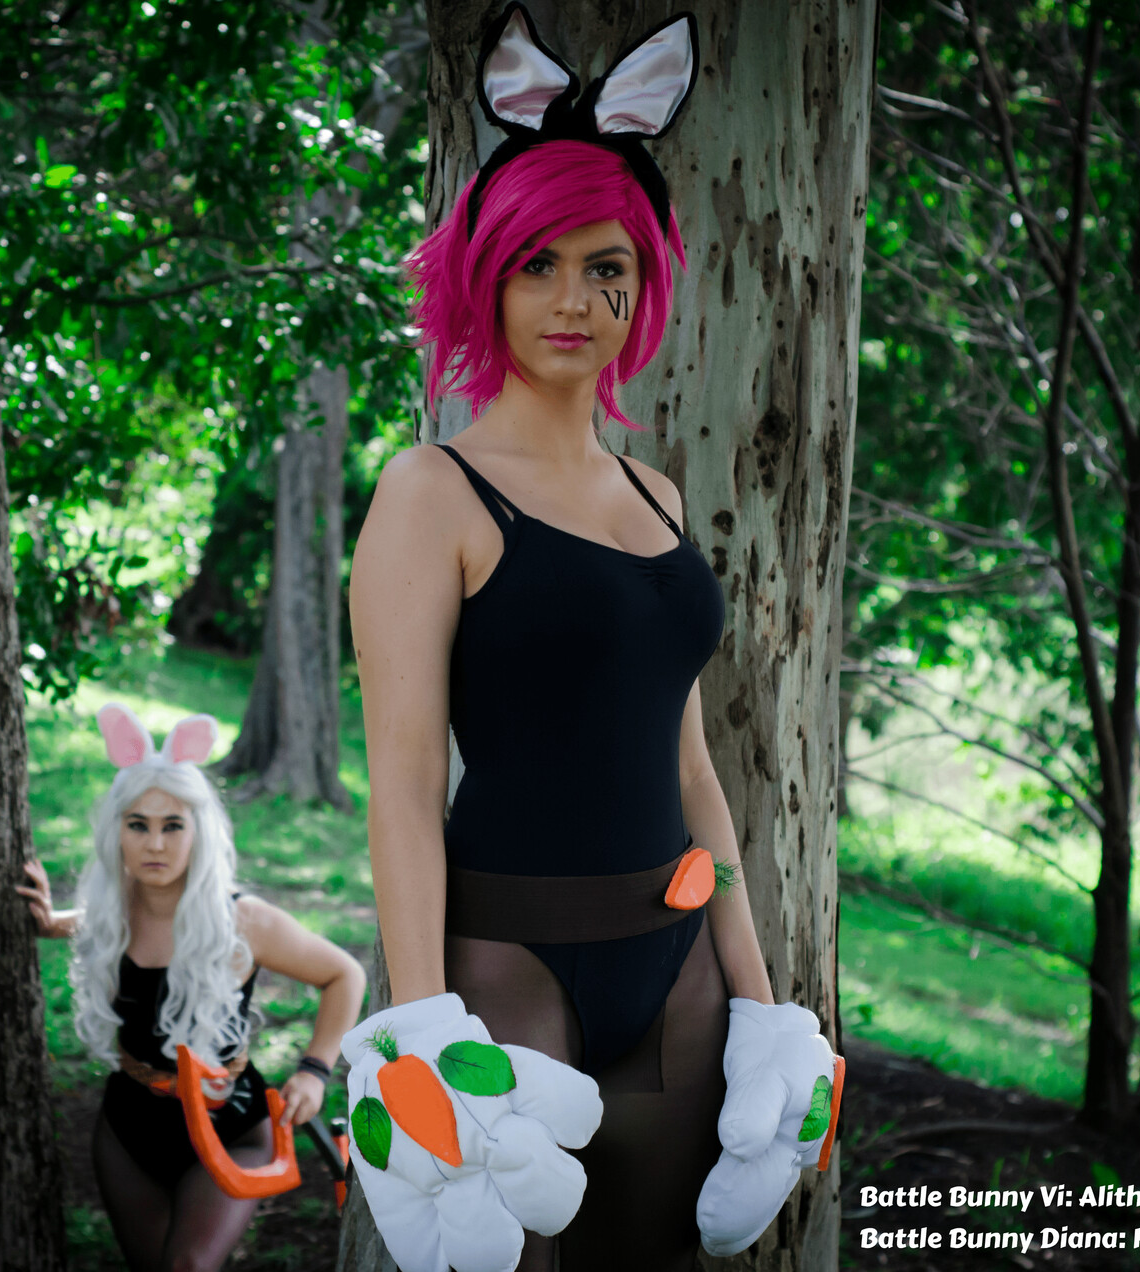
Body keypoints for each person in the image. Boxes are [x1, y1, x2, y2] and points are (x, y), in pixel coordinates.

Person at [341, 8, 837, 1272]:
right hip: (509, 964)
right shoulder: (432, 492)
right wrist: (416, 1029)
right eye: (538, 264)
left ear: (644, 283)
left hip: (678, 965)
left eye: (606, 267)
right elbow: (403, 786)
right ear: (485, 278)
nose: (575, 299)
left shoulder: (656, 496)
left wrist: (762, 1005)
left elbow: (691, 771)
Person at [18, 702, 367, 1272]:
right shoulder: (111, 913)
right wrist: (50, 923)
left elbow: (344, 974)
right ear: (117, 832)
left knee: (188, 1266)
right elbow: (93, 924)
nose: (155, 844)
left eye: (172, 825)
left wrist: (314, 1070)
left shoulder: (243, 921)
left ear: (199, 831)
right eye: (138, 825)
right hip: (129, 1127)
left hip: (231, 1126)